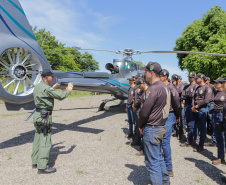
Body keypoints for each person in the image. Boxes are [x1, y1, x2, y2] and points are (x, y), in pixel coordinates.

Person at [32, 69, 73, 174]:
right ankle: (42, 167)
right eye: (51, 76)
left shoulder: (38, 87)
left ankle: (35, 162)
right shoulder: (46, 88)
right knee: (45, 141)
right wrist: (69, 89)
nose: (53, 78)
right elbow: (61, 96)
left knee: (37, 138)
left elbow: (45, 92)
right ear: (46, 78)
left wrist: (51, 88)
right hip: (44, 117)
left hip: (37, 115)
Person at [139, 62, 170, 185]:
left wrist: (140, 125)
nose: (144, 74)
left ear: (152, 73)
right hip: (161, 126)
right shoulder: (165, 87)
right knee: (158, 158)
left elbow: (145, 112)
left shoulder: (152, 89)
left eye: (145, 72)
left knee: (152, 164)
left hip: (152, 128)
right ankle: (166, 182)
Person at [160, 69, 181, 177]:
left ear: (165, 77)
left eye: (160, 76)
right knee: (159, 140)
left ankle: (169, 168)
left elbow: (177, 104)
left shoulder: (171, 88)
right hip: (160, 116)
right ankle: (159, 163)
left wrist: (178, 116)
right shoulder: (159, 88)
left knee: (165, 142)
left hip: (169, 115)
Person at [192, 73, 212, 152]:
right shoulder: (197, 88)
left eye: (197, 78)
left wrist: (197, 106)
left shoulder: (207, 88)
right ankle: (195, 141)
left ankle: (201, 145)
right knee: (195, 127)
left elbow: (206, 100)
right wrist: (193, 106)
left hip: (202, 109)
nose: (195, 79)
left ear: (201, 79)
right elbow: (194, 98)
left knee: (202, 128)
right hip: (195, 109)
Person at [180, 72, 198, 147]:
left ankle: (194, 139)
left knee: (193, 123)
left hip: (193, 105)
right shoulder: (186, 86)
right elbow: (183, 95)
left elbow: (193, 96)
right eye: (189, 77)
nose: (189, 78)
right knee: (188, 123)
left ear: (194, 78)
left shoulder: (196, 86)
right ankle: (190, 139)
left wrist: (188, 96)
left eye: (191, 77)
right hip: (187, 105)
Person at [212, 77, 226, 165]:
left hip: (222, 115)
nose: (215, 84)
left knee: (223, 137)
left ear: (222, 84)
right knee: (219, 137)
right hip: (215, 114)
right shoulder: (216, 92)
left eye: (217, 83)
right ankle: (220, 157)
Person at [132, 77, 144, 145]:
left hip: (139, 108)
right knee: (136, 125)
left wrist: (135, 105)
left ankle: (141, 143)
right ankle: (137, 140)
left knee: (140, 125)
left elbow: (141, 99)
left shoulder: (143, 90)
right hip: (136, 107)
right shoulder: (137, 88)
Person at [205, 76, 217, 146]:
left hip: (211, 103)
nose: (206, 81)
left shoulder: (212, 86)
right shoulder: (204, 87)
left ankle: (212, 134)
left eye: (207, 80)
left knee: (210, 118)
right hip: (206, 103)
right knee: (206, 118)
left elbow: (216, 92)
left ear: (209, 80)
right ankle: (208, 132)